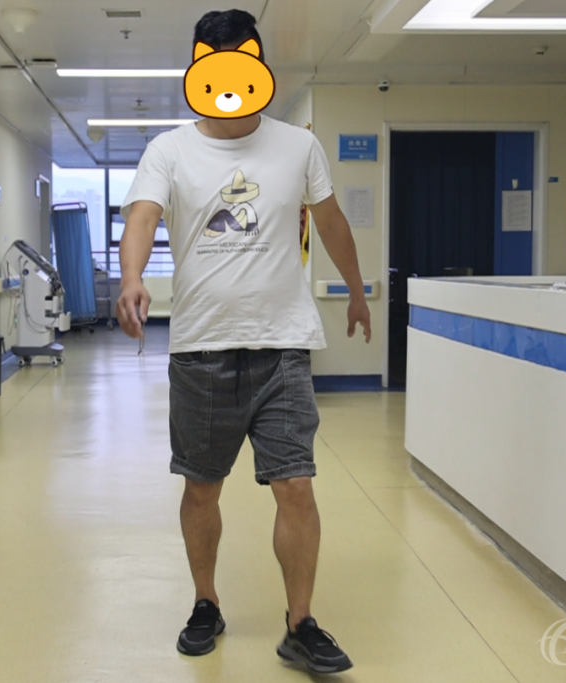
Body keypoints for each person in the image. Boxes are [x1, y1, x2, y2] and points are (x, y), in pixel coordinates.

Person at [116, 9, 370, 675]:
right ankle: (206, 602)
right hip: (200, 348)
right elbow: (142, 216)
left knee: (296, 486)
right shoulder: (169, 150)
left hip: (282, 346)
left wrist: (358, 289)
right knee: (203, 489)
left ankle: (300, 622)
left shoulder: (297, 147)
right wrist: (132, 276)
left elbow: (331, 221)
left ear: (260, 67)